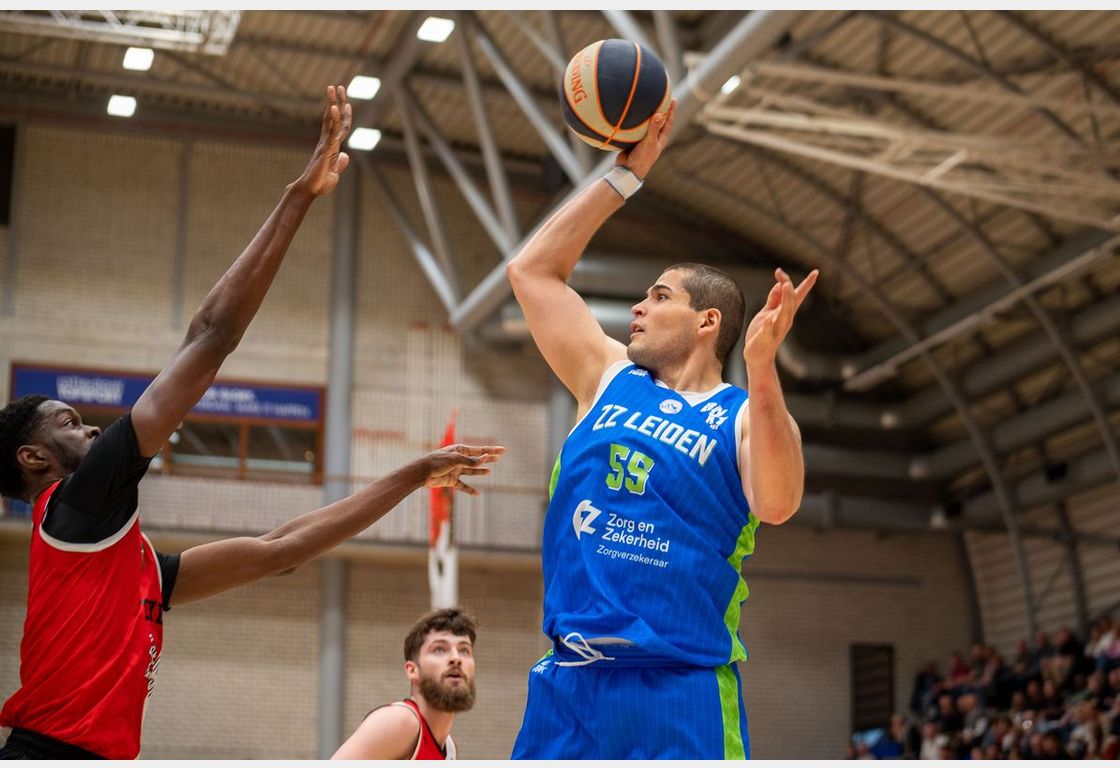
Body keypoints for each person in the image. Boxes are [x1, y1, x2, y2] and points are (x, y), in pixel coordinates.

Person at [0, 87, 504, 760]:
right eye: (69, 422)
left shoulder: (130, 563)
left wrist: (414, 475)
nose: (92, 431)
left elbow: (281, 549)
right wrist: (299, 197)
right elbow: (210, 335)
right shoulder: (75, 505)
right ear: (33, 458)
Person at [505, 100, 814, 759]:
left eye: (660, 296)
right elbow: (530, 271)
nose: (638, 307)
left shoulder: (740, 413)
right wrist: (626, 174)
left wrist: (764, 368)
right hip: (570, 684)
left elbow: (779, 502)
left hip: (679, 689)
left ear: (707, 322)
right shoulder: (606, 375)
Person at [333, 609, 477, 760]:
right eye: (439, 649)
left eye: (464, 650)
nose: (456, 658)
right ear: (412, 670)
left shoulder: (449, 748)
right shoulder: (400, 721)